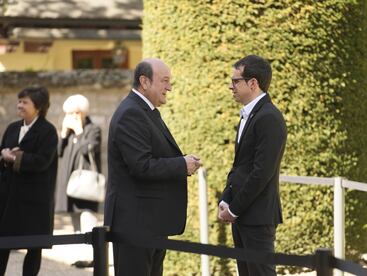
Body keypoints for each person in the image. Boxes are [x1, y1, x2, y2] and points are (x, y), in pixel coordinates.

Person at [104, 58, 202, 276]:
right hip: (135, 224)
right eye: (164, 81)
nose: (169, 87)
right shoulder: (131, 113)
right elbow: (141, 166)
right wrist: (181, 165)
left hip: (149, 222)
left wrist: (182, 160)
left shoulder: (145, 111)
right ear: (144, 82)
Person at [218, 55, 287, 276]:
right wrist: (226, 198)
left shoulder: (269, 117)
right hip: (243, 215)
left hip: (257, 217)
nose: (231, 86)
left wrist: (234, 209)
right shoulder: (249, 115)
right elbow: (240, 166)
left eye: (236, 81)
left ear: (253, 83)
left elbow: (261, 173)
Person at [0, 86, 58, 276]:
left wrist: (16, 158)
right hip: (9, 198)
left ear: (38, 107)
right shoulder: (12, 128)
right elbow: (2, 152)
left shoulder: (48, 131)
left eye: (25, 102)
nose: (20, 105)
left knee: (34, 248)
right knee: (3, 243)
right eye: (19, 101)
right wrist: (4, 154)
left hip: (35, 200)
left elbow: (43, 161)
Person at [55, 94, 102, 268]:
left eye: (73, 113)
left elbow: (89, 149)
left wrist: (80, 131)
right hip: (70, 187)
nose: (70, 117)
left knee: (88, 223)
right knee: (75, 225)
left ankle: (93, 257)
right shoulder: (68, 133)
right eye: (67, 114)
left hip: (86, 188)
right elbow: (58, 153)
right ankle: (82, 256)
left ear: (81, 113)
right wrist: (63, 134)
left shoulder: (93, 129)